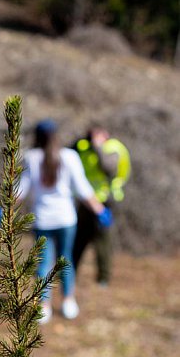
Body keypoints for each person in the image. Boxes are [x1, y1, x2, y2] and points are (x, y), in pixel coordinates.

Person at [19, 119, 112, 324]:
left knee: (43, 263)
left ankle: (44, 306)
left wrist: (3, 207)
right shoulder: (69, 157)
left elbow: (20, 190)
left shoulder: (31, 157)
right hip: (65, 219)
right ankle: (68, 301)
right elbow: (83, 189)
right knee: (66, 260)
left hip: (42, 220)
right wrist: (100, 210)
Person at [72, 126, 131, 285]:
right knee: (78, 239)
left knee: (103, 241)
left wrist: (98, 147)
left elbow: (109, 168)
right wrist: (79, 142)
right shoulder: (85, 147)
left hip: (106, 202)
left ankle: (103, 278)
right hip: (86, 201)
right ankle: (70, 273)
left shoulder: (113, 148)